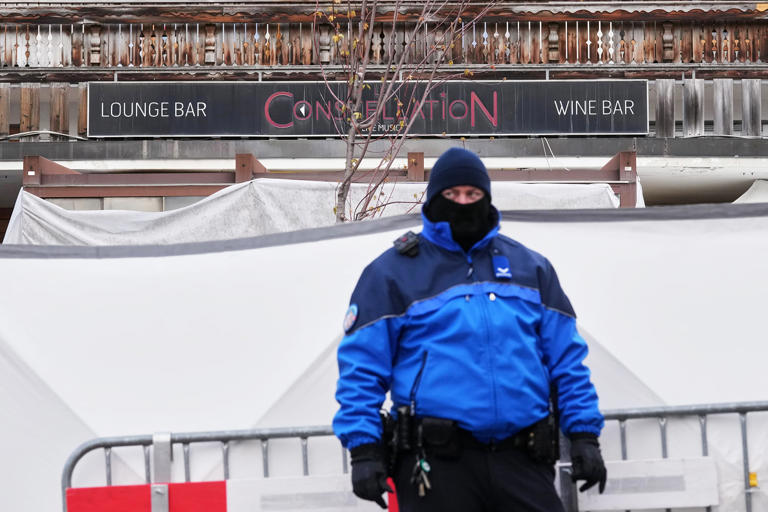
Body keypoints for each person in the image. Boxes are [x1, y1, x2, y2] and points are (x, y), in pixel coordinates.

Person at [333, 147, 606, 512]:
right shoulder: (392, 273)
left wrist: (584, 435)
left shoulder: (530, 268)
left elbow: (567, 362)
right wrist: (363, 451)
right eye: (452, 195)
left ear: (486, 198)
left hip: (522, 459)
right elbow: (361, 369)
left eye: (472, 195)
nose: (463, 202)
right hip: (437, 465)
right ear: (434, 198)